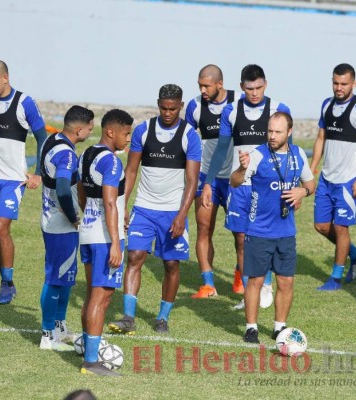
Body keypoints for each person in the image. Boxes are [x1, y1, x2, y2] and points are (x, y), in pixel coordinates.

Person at [108, 84, 201, 335]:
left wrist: (182, 215)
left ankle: (162, 317)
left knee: (171, 264)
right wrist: (122, 204)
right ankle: (129, 316)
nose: (168, 113)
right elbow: (130, 171)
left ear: (180, 106)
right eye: (163, 108)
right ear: (158, 104)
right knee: (135, 257)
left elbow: (192, 181)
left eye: (172, 108)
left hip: (173, 212)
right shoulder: (143, 131)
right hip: (144, 208)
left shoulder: (189, 136)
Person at [202, 64, 291, 310]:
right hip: (240, 185)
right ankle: (249, 291)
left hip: (268, 187)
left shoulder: (278, 110)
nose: (254, 93)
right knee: (241, 239)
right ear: (241, 87)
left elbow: (289, 151)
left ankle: (266, 285)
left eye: (259, 87)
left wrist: (290, 187)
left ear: (266, 84)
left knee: (267, 237)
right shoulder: (231, 111)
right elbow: (221, 150)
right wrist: (208, 183)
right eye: (250, 88)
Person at [231, 112, 315, 343]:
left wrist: (302, 192)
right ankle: (251, 328)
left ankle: (280, 328)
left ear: (289, 132)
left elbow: (310, 183)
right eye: (269, 131)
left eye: (278, 132)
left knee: (286, 281)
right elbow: (235, 181)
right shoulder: (257, 155)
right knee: (255, 281)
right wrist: (241, 168)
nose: (272, 136)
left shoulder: (298, 156)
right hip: (259, 231)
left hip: (286, 233)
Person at [0, 59, 47, 304]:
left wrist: (39, 172)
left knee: (1, 227)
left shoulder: (24, 103)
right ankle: (5, 280)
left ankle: (7, 284)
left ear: (5, 78)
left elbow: (42, 137)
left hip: (13, 180)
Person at [310, 63, 356, 291]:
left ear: (354, 84)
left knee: (341, 228)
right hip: (327, 179)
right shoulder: (326, 105)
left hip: (349, 180)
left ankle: (336, 278)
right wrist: (313, 167)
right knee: (320, 225)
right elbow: (320, 138)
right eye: (336, 83)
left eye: (344, 84)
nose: (339, 88)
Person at [78, 109, 133, 376]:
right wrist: (115, 242)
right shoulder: (111, 162)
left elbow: (79, 191)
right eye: (126, 133)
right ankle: (91, 362)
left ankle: (87, 348)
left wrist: (87, 215)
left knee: (91, 295)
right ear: (111, 132)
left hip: (87, 233)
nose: (128, 139)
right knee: (102, 298)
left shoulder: (86, 154)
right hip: (104, 239)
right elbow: (110, 202)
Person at [39, 106, 94, 351]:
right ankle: (48, 335)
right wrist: (73, 217)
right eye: (91, 128)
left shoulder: (53, 140)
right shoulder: (67, 155)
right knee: (55, 278)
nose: (92, 131)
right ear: (79, 129)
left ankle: (59, 329)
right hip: (60, 226)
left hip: (51, 221)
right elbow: (62, 188)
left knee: (65, 279)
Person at [185, 64, 240, 298]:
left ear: (220, 84)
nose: (203, 90)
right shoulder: (195, 106)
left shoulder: (239, 102)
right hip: (207, 178)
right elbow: (186, 139)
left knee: (241, 233)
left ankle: (240, 279)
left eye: (207, 85)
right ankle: (208, 285)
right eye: (200, 85)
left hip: (236, 179)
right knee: (204, 229)